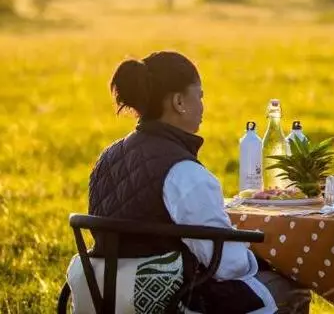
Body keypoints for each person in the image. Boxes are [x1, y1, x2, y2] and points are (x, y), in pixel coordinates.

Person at [87, 50, 310, 313]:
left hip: (101, 291)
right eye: (200, 96)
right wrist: (262, 259)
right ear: (179, 102)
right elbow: (228, 265)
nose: (203, 106)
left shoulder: (107, 157)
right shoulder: (183, 171)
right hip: (171, 300)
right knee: (293, 288)